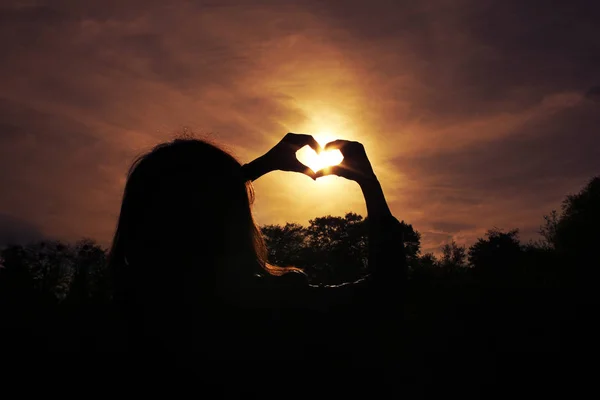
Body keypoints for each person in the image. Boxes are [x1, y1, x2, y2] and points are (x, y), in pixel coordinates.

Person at [108, 133, 406, 361]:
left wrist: (253, 170)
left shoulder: (132, 307)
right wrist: (369, 183)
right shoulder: (268, 305)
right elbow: (384, 292)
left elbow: (190, 207)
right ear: (233, 218)